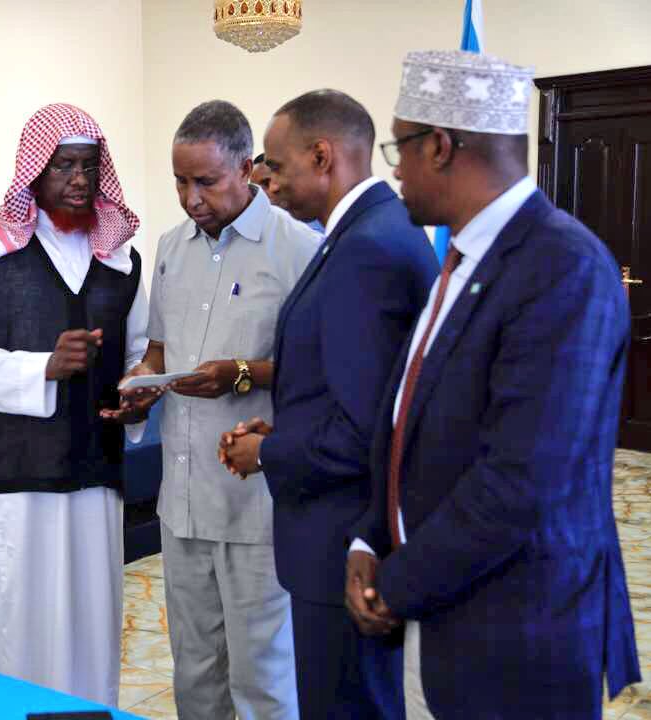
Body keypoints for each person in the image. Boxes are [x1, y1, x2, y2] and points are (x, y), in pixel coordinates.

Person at [345, 50, 641, 718]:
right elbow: (412, 426)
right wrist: (371, 538)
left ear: (440, 146)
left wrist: (396, 583)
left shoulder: (562, 267)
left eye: (400, 148)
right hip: (439, 616)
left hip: (517, 636)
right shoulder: (461, 258)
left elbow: (522, 482)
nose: (395, 170)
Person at [220, 90, 438, 719]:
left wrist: (268, 452)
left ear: (321, 156)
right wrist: (283, 428)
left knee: (344, 706)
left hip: (342, 535)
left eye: (276, 166)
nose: (267, 183)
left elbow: (365, 428)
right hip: (343, 528)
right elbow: (349, 386)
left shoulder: (365, 249)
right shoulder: (367, 231)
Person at [0, 103, 147, 706]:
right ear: (35, 170)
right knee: (10, 634)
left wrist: (138, 394)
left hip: (92, 482)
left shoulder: (121, 259)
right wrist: (42, 368)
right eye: (63, 166)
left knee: (86, 634)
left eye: (89, 166)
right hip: (11, 483)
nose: (79, 179)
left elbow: (139, 354)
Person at [121, 100, 315, 719]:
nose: (191, 198)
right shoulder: (170, 248)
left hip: (256, 502)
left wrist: (241, 374)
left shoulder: (299, 249)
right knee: (196, 671)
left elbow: (326, 373)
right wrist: (143, 382)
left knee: (262, 677)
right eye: (179, 181)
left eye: (205, 181)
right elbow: (159, 349)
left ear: (246, 168)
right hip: (181, 499)